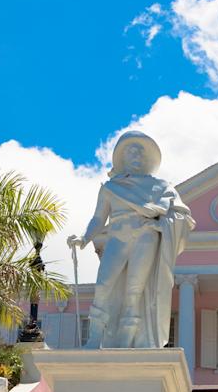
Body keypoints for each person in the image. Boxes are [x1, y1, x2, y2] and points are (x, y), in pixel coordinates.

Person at [68, 131, 195, 348]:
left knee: (135, 290)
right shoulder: (110, 188)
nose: (135, 155)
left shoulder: (161, 186)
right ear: (122, 157)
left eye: (140, 151)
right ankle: (96, 337)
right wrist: (84, 237)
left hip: (145, 237)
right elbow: (98, 218)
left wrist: (159, 224)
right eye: (130, 151)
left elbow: (181, 215)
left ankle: (128, 339)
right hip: (117, 237)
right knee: (103, 285)